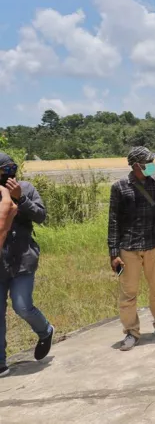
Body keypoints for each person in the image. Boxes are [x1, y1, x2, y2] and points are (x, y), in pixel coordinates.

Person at [108, 147, 155, 351]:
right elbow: (113, 222)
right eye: (148, 162)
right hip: (128, 249)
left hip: (153, 246)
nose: (152, 166)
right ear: (137, 165)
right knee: (128, 293)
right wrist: (113, 254)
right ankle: (131, 332)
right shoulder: (120, 188)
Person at [0, 154, 54, 377]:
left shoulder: (26, 188)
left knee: (22, 306)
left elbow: (41, 216)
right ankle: (1, 362)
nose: (10, 174)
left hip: (23, 259)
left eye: (12, 169)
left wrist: (20, 199)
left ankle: (45, 330)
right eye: (5, 170)